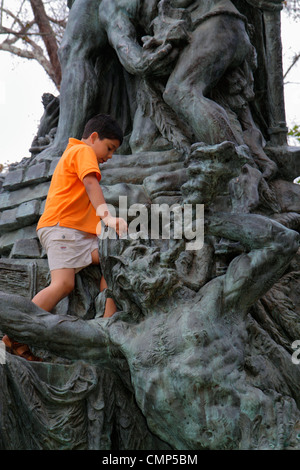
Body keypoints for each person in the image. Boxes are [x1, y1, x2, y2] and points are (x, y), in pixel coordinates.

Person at [2, 113, 128, 361]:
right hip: (60, 229)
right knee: (63, 284)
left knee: (111, 258)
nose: (110, 156)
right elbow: (91, 184)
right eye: (109, 147)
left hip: (77, 234)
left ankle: (107, 322)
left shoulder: (78, 153)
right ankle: (12, 336)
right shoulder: (82, 151)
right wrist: (107, 217)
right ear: (93, 138)